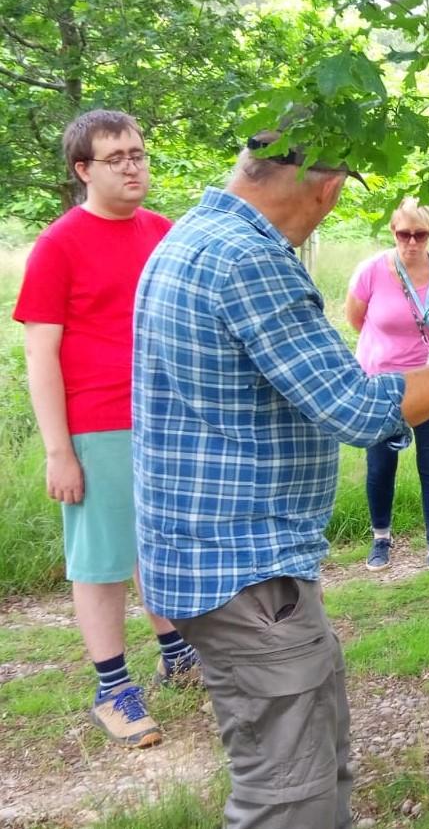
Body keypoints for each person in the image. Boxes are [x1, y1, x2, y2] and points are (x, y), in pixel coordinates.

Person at [133, 133, 429, 829]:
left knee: (313, 766)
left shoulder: (193, 234)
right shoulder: (250, 259)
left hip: (212, 560)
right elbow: (356, 408)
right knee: (290, 796)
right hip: (246, 574)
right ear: (331, 189)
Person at [11, 109, 201, 749]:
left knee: (162, 546)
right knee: (103, 562)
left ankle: (177, 654)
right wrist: (58, 452)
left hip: (167, 419)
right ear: (83, 170)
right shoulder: (59, 245)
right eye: (115, 157)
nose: (132, 166)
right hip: (98, 421)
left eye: (138, 154)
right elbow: (40, 356)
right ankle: (113, 690)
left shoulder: (166, 233)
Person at [346, 198, 429, 572]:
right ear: (393, 232)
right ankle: (381, 538)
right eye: (404, 234)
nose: (412, 242)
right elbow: (356, 318)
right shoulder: (371, 271)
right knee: (381, 463)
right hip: (382, 382)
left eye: (420, 234)